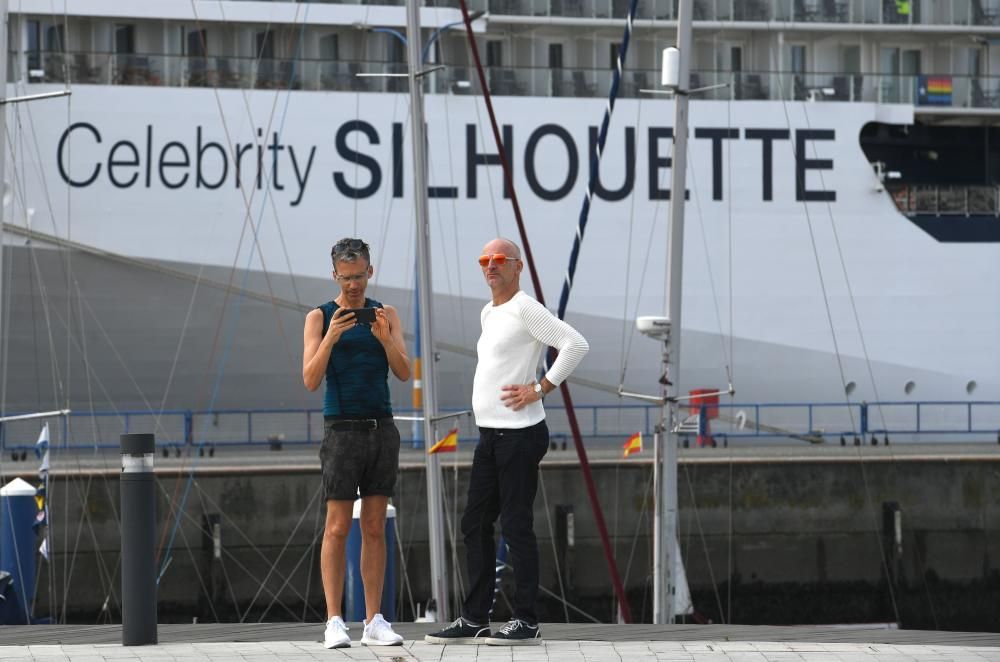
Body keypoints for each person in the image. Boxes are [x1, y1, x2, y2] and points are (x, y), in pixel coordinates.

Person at [426, 237, 589, 646]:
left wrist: (541, 387)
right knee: (475, 523)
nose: (491, 266)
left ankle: (526, 620)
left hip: (519, 435)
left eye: (499, 260)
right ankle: (475, 617)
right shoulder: (489, 311)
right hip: (490, 435)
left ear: (517, 267)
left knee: (515, 525)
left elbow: (575, 344)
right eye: (485, 260)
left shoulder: (525, 308)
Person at [302, 237, 410, 648]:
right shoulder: (318, 317)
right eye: (346, 278)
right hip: (341, 431)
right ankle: (333, 621)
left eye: (359, 276)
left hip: (381, 428)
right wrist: (331, 336)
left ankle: (373, 621)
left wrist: (384, 338)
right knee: (335, 527)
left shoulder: (387, 314)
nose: (353, 286)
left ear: (370, 271)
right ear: (335, 275)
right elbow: (311, 380)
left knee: (374, 527)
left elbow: (402, 372)